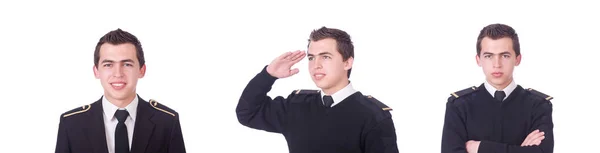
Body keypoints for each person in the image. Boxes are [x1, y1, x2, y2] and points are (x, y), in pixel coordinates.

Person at [236, 26, 399, 153]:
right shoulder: (296, 105)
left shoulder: (374, 116)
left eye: (325, 56)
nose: (316, 65)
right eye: (311, 57)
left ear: (347, 63)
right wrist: (268, 75)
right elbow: (247, 113)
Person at [55, 29, 186, 153]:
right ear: (96, 71)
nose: (118, 74)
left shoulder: (167, 122)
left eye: (127, 64)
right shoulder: (72, 124)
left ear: (141, 70)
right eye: (108, 65)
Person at [441, 23, 554, 153]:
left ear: (517, 59)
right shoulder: (459, 105)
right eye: (489, 56)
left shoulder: (538, 105)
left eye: (505, 56)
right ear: (478, 60)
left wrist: (480, 147)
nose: (497, 64)